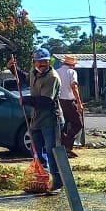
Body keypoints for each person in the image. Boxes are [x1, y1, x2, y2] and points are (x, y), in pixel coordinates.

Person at [26, 48, 64, 194]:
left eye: (45, 61)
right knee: (36, 150)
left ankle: (58, 182)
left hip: (50, 119)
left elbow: (46, 101)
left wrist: (27, 100)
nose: (42, 64)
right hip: (37, 119)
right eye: (39, 61)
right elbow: (25, 77)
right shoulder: (33, 73)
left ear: (49, 62)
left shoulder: (52, 77)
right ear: (34, 62)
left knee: (51, 151)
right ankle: (42, 179)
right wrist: (13, 69)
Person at [56, 54, 84, 157]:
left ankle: (64, 148)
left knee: (63, 126)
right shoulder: (72, 72)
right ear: (72, 65)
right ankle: (67, 146)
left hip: (58, 102)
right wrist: (79, 102)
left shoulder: (56, 72)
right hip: (68, 101)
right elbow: (74, 87)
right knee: (78, 124)